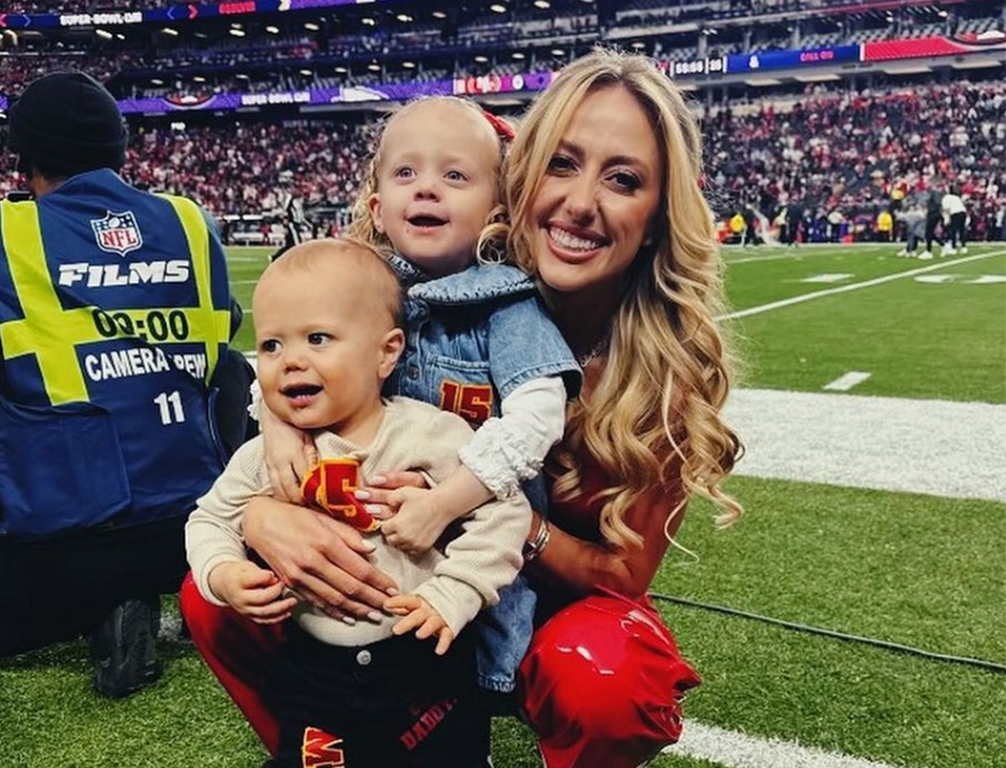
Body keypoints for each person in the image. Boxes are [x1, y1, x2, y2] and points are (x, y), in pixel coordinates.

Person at [182, 49, 742, 768]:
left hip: (542, 599)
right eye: (563, 165)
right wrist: (268, 502)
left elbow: (623, 575)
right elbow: (301, 359)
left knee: (606, 675)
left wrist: (481, 511)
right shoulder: (402, 284)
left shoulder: (662, 366)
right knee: (211, 592)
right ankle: (326, 747)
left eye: (624, 180)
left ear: (660, 214)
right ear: (518, 182)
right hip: (393, 571)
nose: (580, 202)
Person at [255, 95, 581, 702]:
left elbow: (540, 415)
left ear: (497, 209)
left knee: (449, 681)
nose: (426, 189)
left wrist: (446, 503)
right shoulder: (355, 286)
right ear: (377, 206)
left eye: (454, 176)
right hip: (363, 534)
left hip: (470, 545)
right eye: (406, 173)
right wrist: (274, 422)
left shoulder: (506, 305)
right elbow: (285, 354)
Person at [186, 239, 530, 767]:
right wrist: (224, 572)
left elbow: (505, 512)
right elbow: (210, 517)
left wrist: (454, 591)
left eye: (317, 338)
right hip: (315, 672)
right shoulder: (268, 454)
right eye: (272, 345)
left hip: (426, 661)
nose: (290, 360)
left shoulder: (432, 434)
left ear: (387, 352)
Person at [0, 72, 253, 697]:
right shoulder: (191, 222)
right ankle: (138, 595)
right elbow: (222, 353)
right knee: (231, 368)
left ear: (24, 161)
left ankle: (92, 605)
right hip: (195, 528)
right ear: (122, 150)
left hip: (64, 539)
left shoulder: (2, 234)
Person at [940, 185, 968, 255]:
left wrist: (947, 219)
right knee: (961, 230)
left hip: (955, 213)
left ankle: (953, 247)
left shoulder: (946, 198)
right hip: (963, 212)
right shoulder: (956, 197)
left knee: (953, 231)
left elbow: (947, 209)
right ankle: (963, 247)